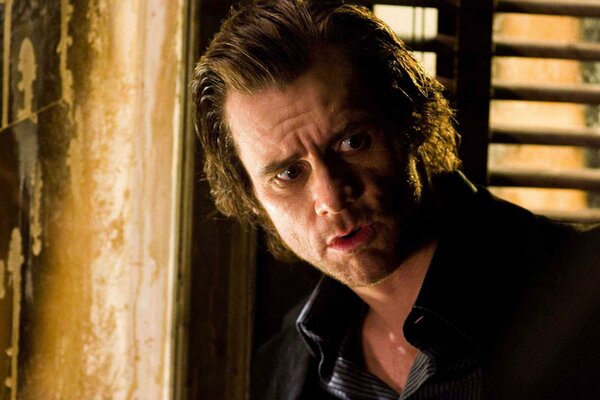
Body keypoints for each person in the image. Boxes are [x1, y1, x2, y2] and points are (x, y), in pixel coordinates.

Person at [191, 1, 600, 398]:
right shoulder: (279, 370)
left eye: (353, 142)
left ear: (411, 121)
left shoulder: (581, 288)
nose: (332, 197)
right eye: (288, 174)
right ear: (252, 199)